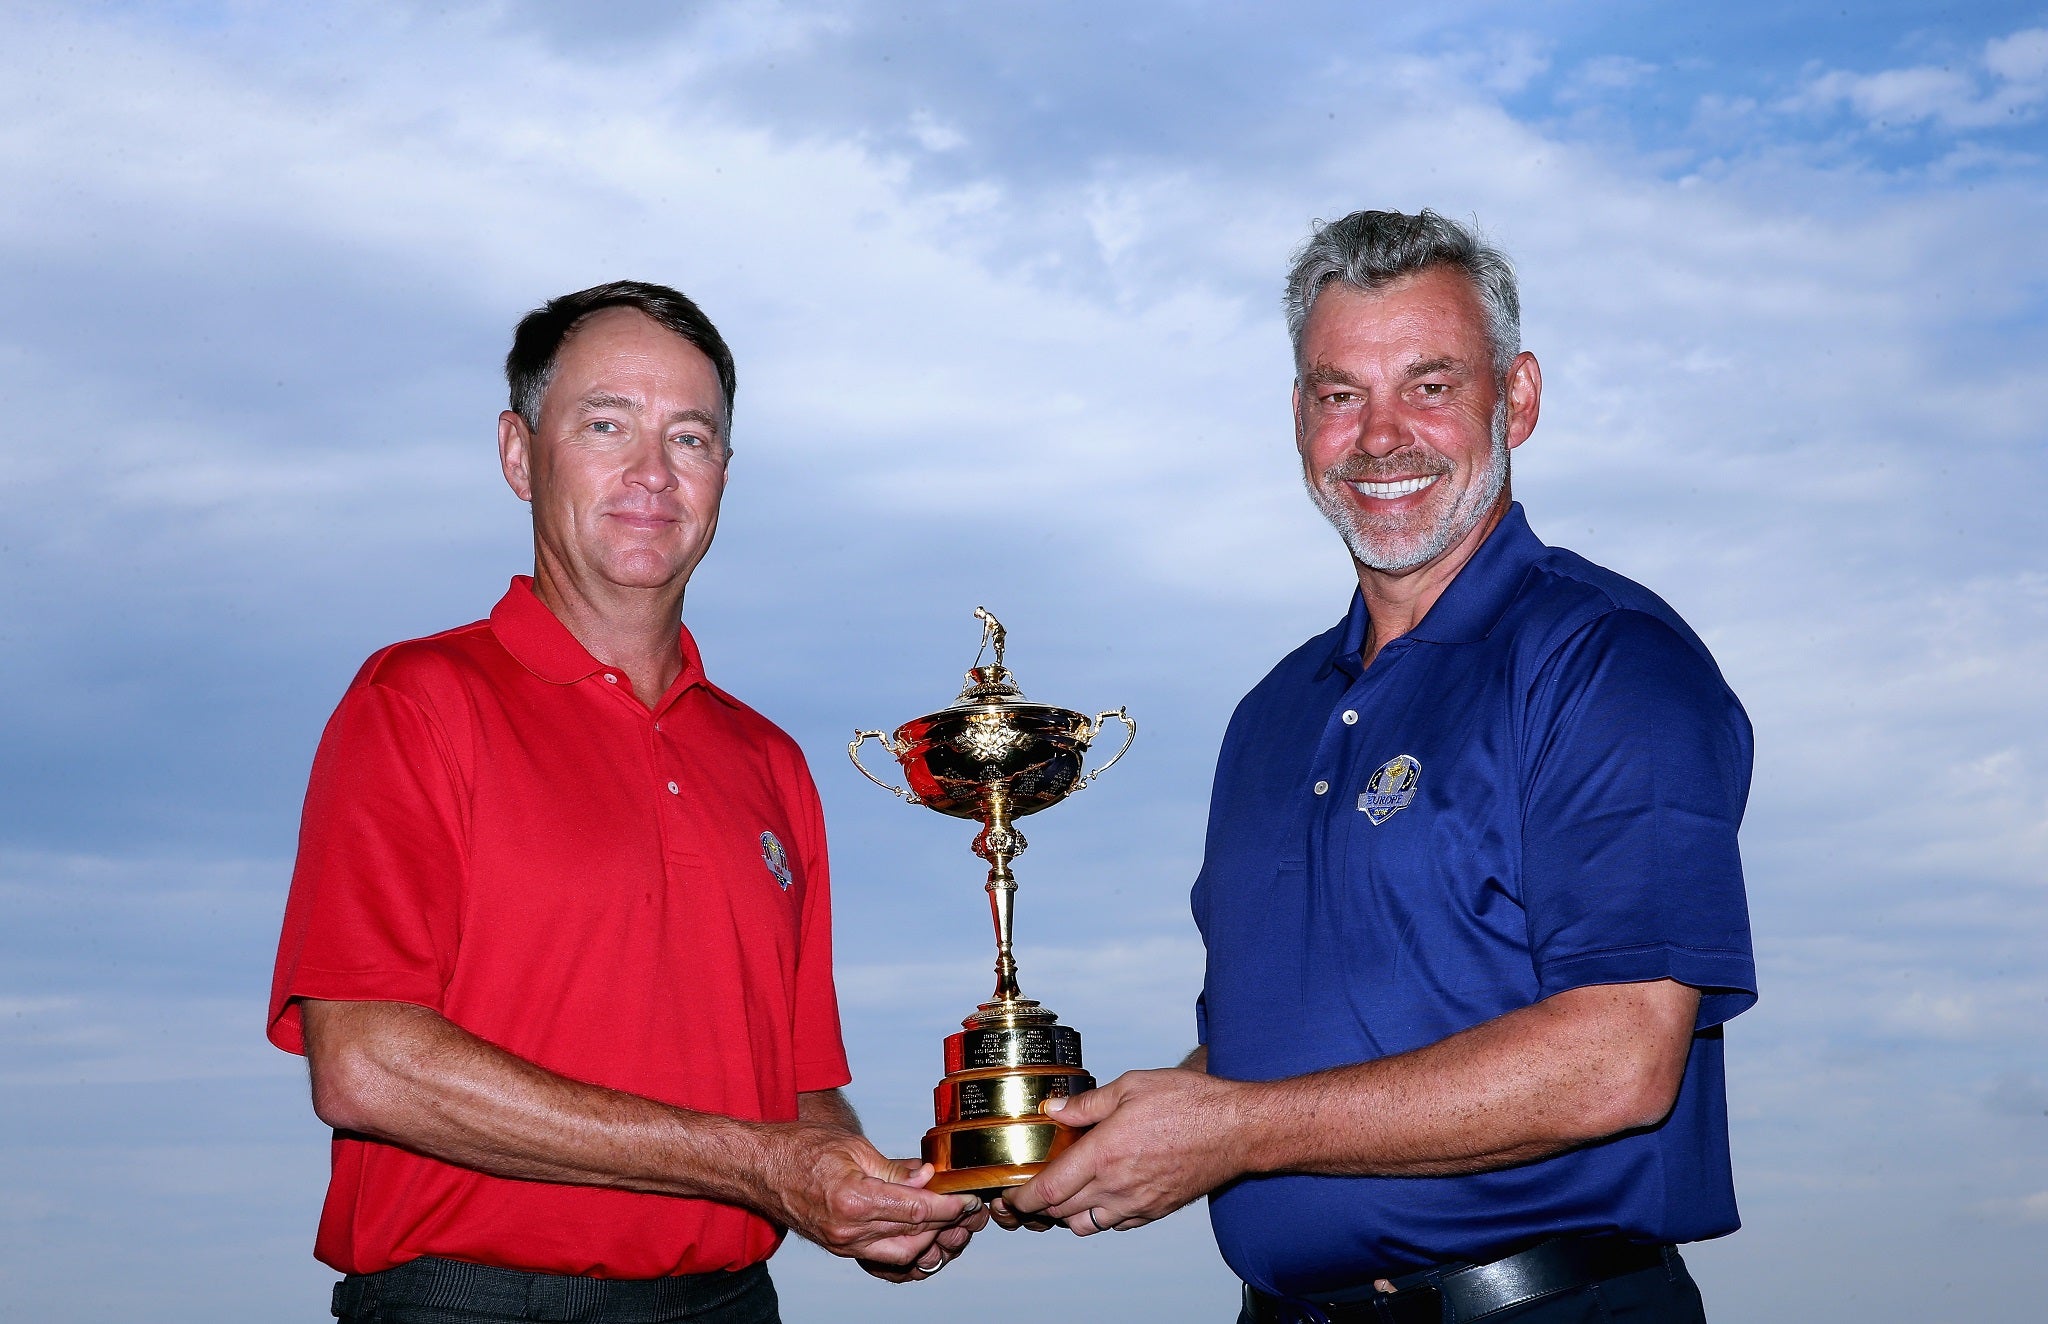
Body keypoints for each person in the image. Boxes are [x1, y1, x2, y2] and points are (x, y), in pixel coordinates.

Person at [1002, 211, 1757, 1324]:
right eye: (1337, 393)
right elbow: (1303, 1044)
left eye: (1430, 386)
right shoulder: (1270, 714)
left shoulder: (1604, 661)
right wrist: (1125, 1125)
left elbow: (1616, 1057)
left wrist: (1231, 1129)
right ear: (1298, 417)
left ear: (1517, 398)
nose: (1379, 436)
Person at [267, 281, 985, 1324]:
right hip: (472, 1307)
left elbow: (791, 1092)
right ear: (519, 455)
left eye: (689, 438)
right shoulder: (416, 702)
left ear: (723, 477)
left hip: (730, 1302)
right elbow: (367, 1066)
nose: (652, 472)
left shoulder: (768, 761)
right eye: (606, 425)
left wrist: (865, 1195)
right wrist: (761, 1166)